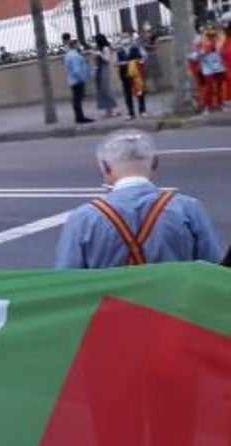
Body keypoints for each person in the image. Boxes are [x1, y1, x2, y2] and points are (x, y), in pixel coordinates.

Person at [54, 129, 225, 269]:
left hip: (111, 310)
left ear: (105, 168)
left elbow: (66, 281)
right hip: (173, 309)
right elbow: (214, 270)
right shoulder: (187, 209)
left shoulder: (83, 219)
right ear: (155, 164)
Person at [192, 24, 226, 114]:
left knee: (219, 86)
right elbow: (197, 53)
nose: (212, 35)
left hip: (219, 67)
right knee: (208, 86)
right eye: (209, 34)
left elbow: (223, 52)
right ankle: (206, 106)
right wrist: (205, 49)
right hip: (207, 68)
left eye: (213, 34)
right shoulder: (200, 41)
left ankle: (220, 104)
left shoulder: (220, 40)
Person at [63, 34, 96, 124]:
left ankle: (79, 117)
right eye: (78, 44)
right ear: (74, 45)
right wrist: (82, 78)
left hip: (72, 80)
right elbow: (76, 70)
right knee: (77, 99)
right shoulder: (74, 56)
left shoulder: (68, 55)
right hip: (77, 80)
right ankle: (80, 117)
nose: (79, 45)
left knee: (76, 99)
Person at [116, 33, 148, 120]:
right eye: (123, 38)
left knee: (139, 92)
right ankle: (130, 113)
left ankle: (142, 110)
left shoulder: (135, 48)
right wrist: (123, 63)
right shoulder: (119, 50)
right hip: (125, 73)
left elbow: (143, 57)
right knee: (127, 93)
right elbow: (116, 62)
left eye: (126, 38)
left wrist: (139, 61)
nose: (125, 40)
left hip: (136, 73)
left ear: (130, 39)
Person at [93, 34, 120, 118]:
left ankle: (115, 109)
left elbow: (107, 59)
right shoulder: (99, 49)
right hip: (99, 69)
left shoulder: (106, 48)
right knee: (101, 90)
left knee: (106, 89)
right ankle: (107, 110)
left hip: (104, 69)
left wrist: (99, 54)